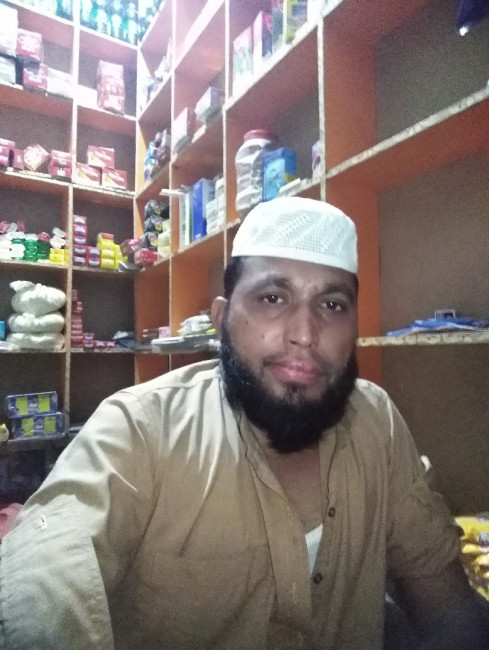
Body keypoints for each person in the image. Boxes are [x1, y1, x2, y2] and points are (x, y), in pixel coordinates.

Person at [0, 197, 487, 649]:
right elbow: (44, 581)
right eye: (273, 298)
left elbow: (442, 597)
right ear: (222, 318)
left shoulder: (375, 420)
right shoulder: (139, 428)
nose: (304, 334)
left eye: (332, 305)